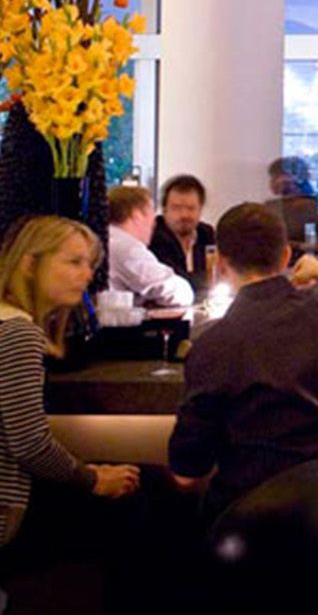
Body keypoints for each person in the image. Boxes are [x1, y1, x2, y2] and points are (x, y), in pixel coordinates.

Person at [168, 203, 318, 521]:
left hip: (248, 526)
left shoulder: (212, 345)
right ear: (286, 256)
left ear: (221, 264)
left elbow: (187, 472)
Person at [0, 217, 141, 582]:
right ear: (30, 264)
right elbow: (29, 444)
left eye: (90, 264)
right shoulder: (17, 332)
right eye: (74, 262)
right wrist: (91, 479)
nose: (87, 275)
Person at [107, 185, 194, 307]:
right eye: (151, 215)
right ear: (137, 216)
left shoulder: (107, 240)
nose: (154, 223)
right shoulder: (126, 248)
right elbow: (178, 293)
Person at [149, 174, 217, 290]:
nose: (184, 215)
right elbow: (172, 281)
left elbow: (221, 275)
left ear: (200, 209)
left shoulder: (207, 234)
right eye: (176, 208)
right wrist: (207, 280)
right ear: (164, 210)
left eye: (191, 208)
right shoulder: (153, 237)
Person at [264, 156, 318, 251]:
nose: (273, 181)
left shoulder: (310, 205)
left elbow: (317, 244)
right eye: (273, 177)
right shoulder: (270, 206)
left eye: (277, 176)